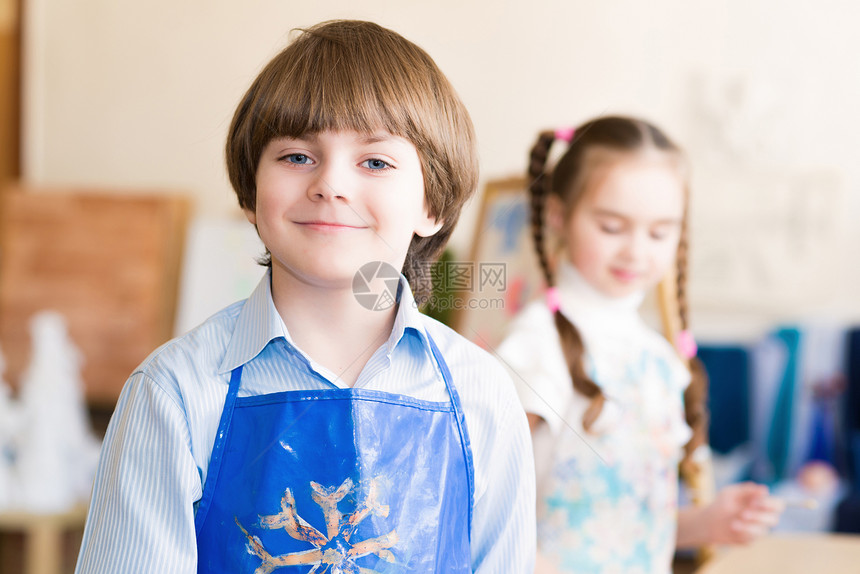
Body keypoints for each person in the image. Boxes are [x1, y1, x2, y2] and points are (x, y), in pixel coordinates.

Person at [75, 20, 535, 573]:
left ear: (430, 204)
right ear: (251, 193)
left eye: (375, 162)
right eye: (297, 156)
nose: (331, 185)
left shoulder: (481, 394)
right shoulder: (173, 393)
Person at [497, 116, 783, 573]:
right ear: (558, 215)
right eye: (612, 227)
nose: (636, 251)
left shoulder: (659, 357)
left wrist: (707, 524)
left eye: (659, 232)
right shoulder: (536, 347)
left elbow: (632, 527)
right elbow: (482, 512)